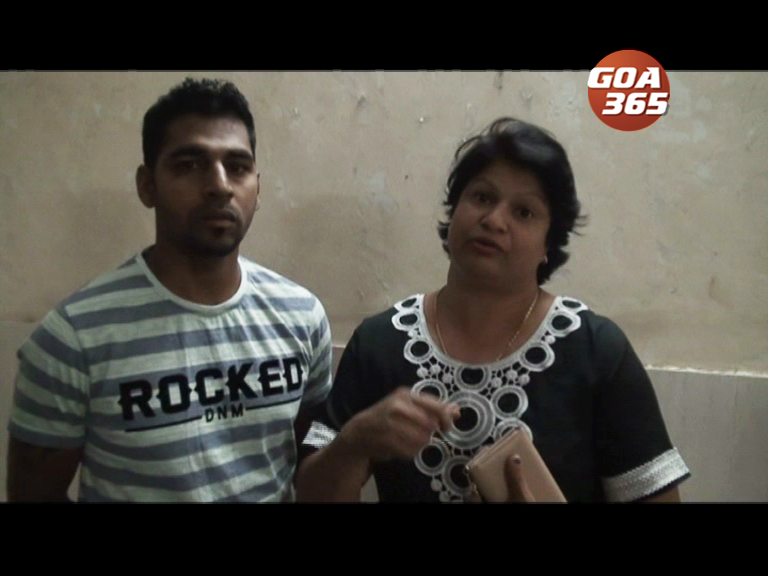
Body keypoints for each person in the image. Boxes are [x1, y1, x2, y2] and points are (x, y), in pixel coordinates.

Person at [295, 117, 690, 502]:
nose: (494, 220)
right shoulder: (381, 342)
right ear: (454, 211)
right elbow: (310, 494)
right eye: (482, 197)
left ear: (548, 243)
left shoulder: (596, 350)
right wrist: (351, 444)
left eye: (524, 212)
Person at [6, 78, 332, 502]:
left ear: (258, 187)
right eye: (190, 164)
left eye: (237, 166)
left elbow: (313, 449)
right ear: (147, 186)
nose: (220, 185)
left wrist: (354, 440)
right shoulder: (73, 338)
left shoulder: (302, 316)